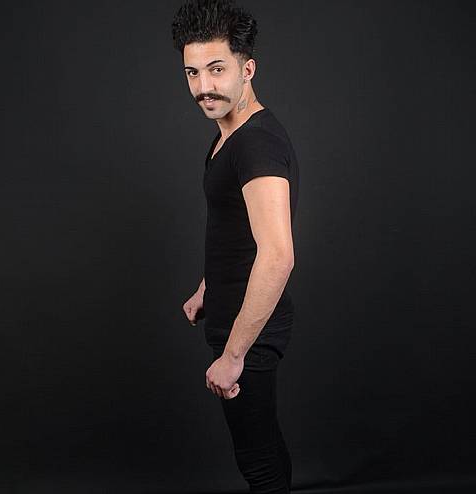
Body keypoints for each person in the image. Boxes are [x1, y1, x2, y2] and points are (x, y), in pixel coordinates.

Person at [172, 1, 299, 492]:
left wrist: (233, 355)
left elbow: (278, 255)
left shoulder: (256, 144)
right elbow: (235, 228)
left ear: (247, 70)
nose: (204, 86)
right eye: (193, 72)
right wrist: (209, 287)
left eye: (217, 69)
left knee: (258, 461)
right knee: (263, 447)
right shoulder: (228, 135)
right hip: (232, 315)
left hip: (249, 331)